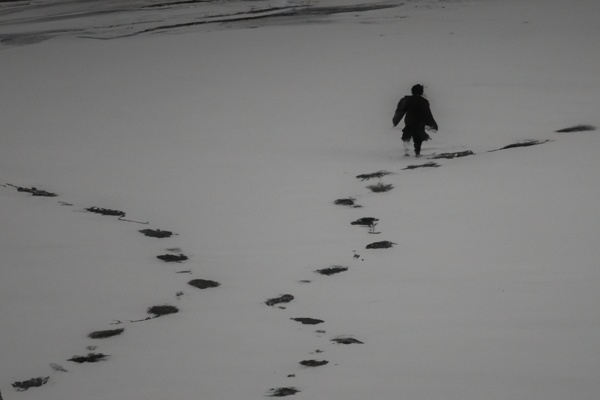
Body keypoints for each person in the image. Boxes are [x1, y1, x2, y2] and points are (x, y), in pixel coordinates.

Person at [393, 84, 438, 156]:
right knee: (418, 138)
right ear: (421, 92)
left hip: (409, 121)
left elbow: (400, 111)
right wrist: (433, 124)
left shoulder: (406, 100)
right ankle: (417, 153)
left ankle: (407, 151)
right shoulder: (424, 101)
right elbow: (428, 114)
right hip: (419, 122)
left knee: (407, 134)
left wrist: (395, 121)